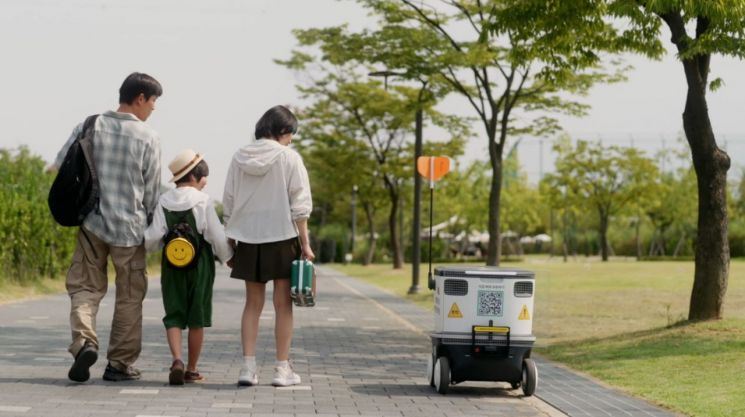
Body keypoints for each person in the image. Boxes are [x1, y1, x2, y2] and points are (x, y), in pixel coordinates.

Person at [53, 72, 162, 382]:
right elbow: (152, 190)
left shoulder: (90, 125)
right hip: (130, 228)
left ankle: (84, 341)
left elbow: (63, 164)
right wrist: (153, 227)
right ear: (140, 98)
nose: (153, 108)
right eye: (153, 102)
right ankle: (119, 364)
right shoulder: (148, 137)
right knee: (129, 295)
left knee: (84, 287)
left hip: (91, 223)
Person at [222, 105, 314, 387]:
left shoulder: (239, 156)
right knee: (283, 304)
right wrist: (306, 245)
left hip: (248, 238)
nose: (292, 140)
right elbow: (300, 206)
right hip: (282, 236)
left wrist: (231, 240)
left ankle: (247, 369)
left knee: (252, 304)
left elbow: (229, 200)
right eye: (291, 134)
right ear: (284, 131)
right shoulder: (289, 158)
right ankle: (281, 369)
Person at [144, 150, 234, 385]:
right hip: (200, 264)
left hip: (172, 264)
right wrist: (227, 258)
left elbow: (153, 237)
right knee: (197, 316)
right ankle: (192, 369)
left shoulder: (164, 200)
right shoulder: (203, 201)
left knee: (174, 312)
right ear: (195, 177)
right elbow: (216, 235)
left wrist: (152, 247)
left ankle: (176, 359)